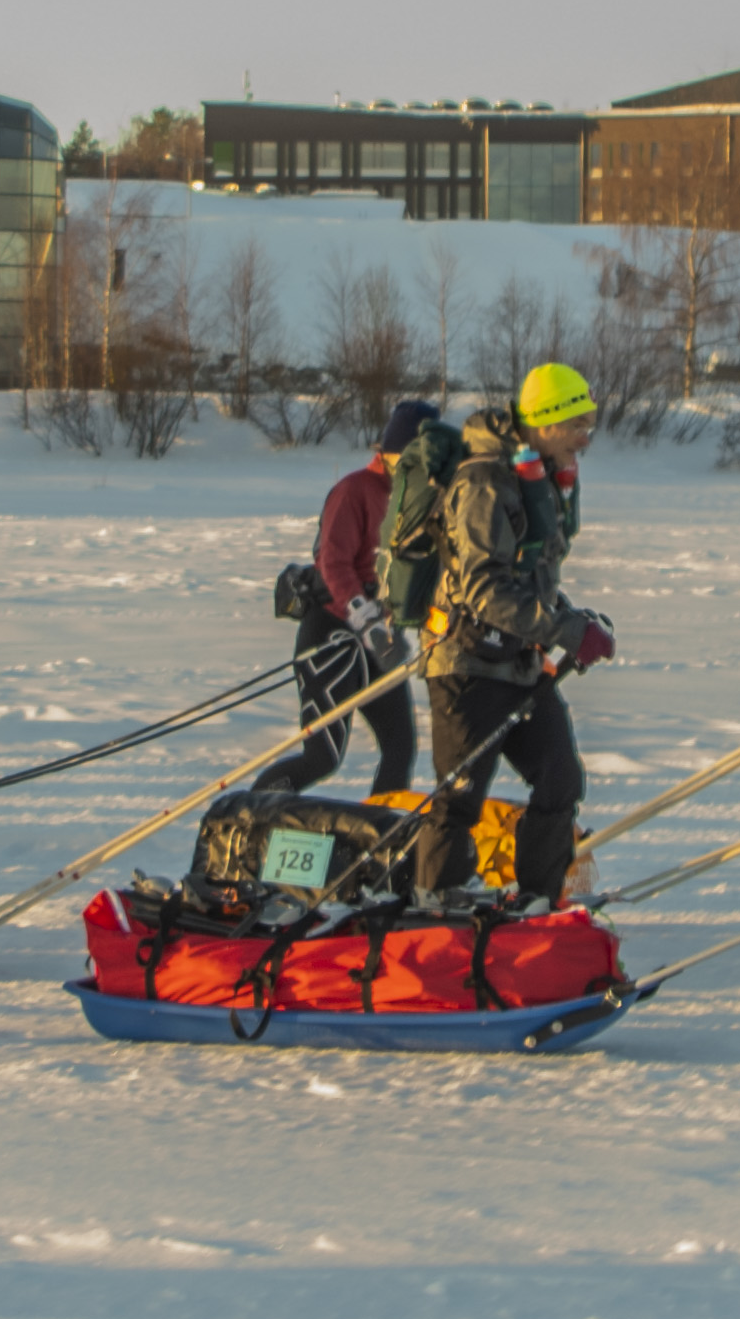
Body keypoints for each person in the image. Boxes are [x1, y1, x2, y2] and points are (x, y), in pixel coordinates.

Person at [415, 364, 609, 912]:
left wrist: (576, 621)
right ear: (545, 424)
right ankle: (437, 906)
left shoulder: (532, 478)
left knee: (560, 782)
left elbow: (529, 582)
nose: (585, 438)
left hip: (520, 666)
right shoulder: (484, 481)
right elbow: (482, 591)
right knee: (459, 799)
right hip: (467, 663)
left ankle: (538, 902)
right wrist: (565, 629)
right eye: (578, 424)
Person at [261, 393, 439, 797]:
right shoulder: (354, 491)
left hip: (382, 641)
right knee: (322, 757)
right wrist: (364, 618)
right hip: (333, 634)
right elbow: (333, 563)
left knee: (400, 749)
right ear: (390, 453)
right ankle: (250, 819)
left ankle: (378, 841)